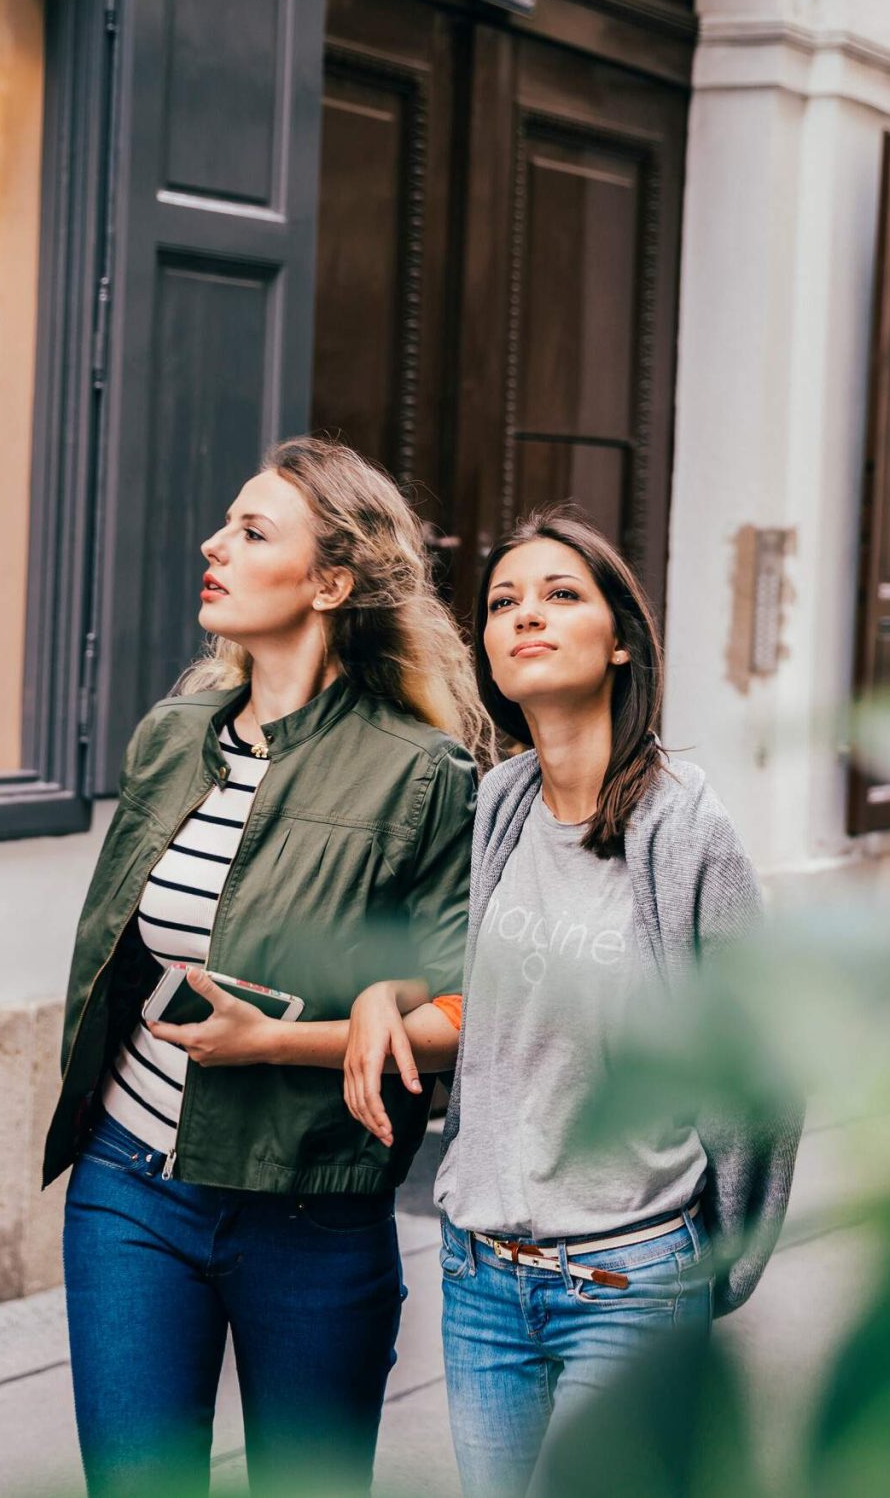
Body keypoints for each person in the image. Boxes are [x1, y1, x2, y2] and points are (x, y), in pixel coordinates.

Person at [43, 436, 489, 1497]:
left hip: (309, 1209)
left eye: (252, 531)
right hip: (129, 1191)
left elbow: (473, 1008)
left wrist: (280, 1041)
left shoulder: (423, 775)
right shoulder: (172, 738)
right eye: (226, 525)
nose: (214, 544)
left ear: (330, 582)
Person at [342, 507, 801, 1498]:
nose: (525, 617)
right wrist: (385, 993)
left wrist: (717, 1262)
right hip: (480, 1280)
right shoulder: (498, 806)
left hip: (627, 1282)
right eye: (504, 602)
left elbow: (755, 1068)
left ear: (621, 638)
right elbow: (467, 994)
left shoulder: (685, 829)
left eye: (560, 594)